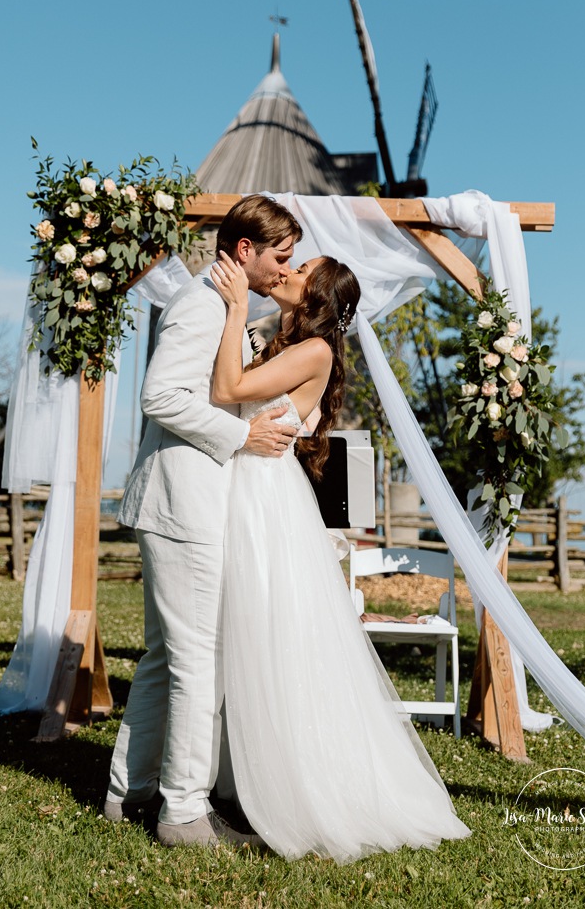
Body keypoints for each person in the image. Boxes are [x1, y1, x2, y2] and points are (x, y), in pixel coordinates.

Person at [210, 251, 471, 862]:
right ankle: (232, 774)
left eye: (299, 269)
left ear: (316, 295)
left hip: (264, 500)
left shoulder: (316, 350)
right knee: (241, 634)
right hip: (245, 489)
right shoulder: (281, 342)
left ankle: (285, 787)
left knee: (268, 635)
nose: (287, 271)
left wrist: (233, 308)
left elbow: (229, 390)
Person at [104, 195, 303, 848]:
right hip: (182, 504)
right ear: (243, 251)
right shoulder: (201, 303)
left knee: (166, 656)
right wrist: (241, 437)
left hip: (188, 503)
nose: (286, 268)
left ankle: (126, 791)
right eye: (280, 256)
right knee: (196, 660)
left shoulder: (230, 308)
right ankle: (183, 812)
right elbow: (159, 395)